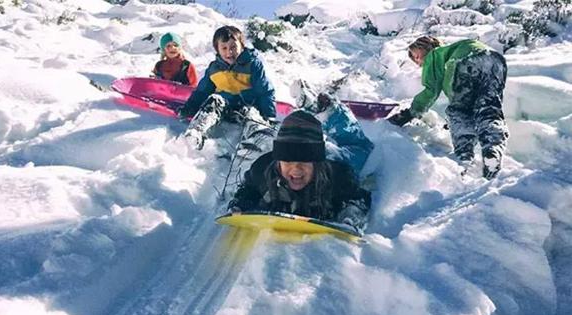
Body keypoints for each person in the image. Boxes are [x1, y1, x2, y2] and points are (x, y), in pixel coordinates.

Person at [228, 111, 371, 233]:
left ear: (316, 162)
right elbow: (249, 190)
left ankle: (335, 113)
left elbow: (359, 198)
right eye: (288, 160)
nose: (296, 168)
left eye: (304, 161)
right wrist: (241, 204)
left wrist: (351, 214)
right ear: (279, 161)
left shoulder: (339, 177)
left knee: (359, 152)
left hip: (334, 159)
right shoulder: (262, 170)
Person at [388, 36, 509, 179]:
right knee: (489, 108)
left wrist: (410, 113)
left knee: (458, 112)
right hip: (496, 61)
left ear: (426, 48)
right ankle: (493, 149)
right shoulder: (453, 49)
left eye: (417, 56)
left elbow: (431, 90)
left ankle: (465, 158)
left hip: (466, 61)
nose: (418, 62)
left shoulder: (434, 54)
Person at [178, 25, 277, 150]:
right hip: (224, 108)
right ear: (217, 50)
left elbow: (265, 91)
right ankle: (197, 131)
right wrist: (190, 107)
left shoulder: (252, 65)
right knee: (213, 100)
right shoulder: (214, 69)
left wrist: (268, 115)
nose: (229, 52)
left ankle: (259, 136)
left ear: (241, 46)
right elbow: (202, 91)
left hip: (247, 106)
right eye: (224, 48)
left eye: (233, 47)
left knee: (251, 113)